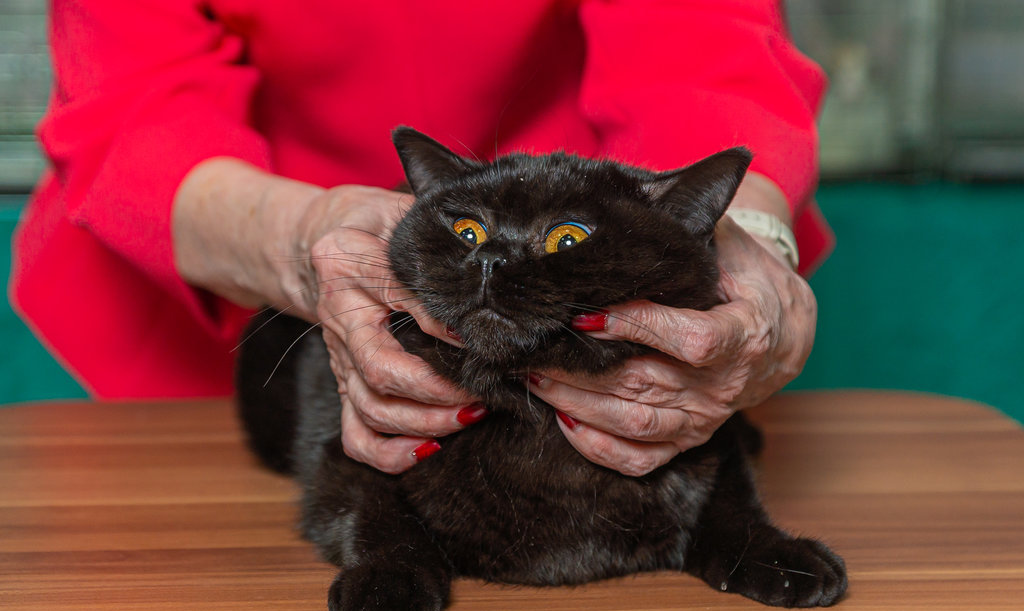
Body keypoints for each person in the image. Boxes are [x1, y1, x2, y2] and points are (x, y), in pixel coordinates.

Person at [11, 0, 830, 476]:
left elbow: (699, 41)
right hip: (223, 253)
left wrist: (744, 240)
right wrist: (301, 239)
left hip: (566, 250)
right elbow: (135, 98)